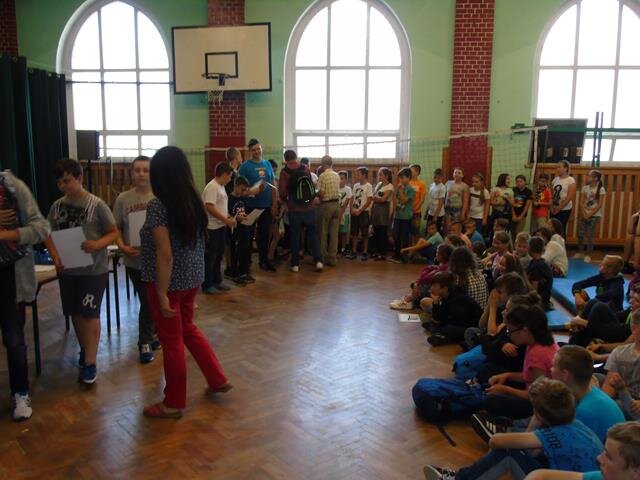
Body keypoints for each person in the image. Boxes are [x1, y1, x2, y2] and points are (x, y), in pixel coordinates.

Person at [140, 146, 231, 418]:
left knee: (171, 341)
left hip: (169, 283)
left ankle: (173, 403)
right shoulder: (193, 200)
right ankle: (217, 378)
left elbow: (165, 254)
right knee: (188, 329)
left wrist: (161, 292)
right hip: (192, 279)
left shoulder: (158, 206)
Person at [425, 377, 603, 480]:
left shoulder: (555, 433)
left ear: (539, 414)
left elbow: (496, 441)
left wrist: (535, 420)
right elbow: (532, 452)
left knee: (509, 451)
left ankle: (459, 479)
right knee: (526, 451)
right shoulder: (577, 425)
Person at [44, 158, 118, 385]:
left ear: (79, 178)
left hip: (93, 270)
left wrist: (97, 244)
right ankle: (86, 349)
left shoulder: (97, 205)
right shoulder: (56, 207)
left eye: (67, 181)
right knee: (76, 313)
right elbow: (47, 234)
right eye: (59, 183)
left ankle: (90, 362)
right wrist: (54, 255)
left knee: (90, 313)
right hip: (68, 270)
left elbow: (113, 232)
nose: (63, 186)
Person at [0, 170, 50, 421]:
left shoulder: (12, 187)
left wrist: (8, 234)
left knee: (14, 339)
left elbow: (41, 228)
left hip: (11, 279)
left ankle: (20, 392)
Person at [113, 155, 159, 363]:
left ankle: (150, 337)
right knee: (147, 300)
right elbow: (115, 227)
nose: (141, 174)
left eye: (145, 170)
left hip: (156, 260)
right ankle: (145, 341)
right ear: (131, 173)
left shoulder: (159, 197)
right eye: (137, 170)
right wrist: (122, 246)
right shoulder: (123, 199)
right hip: (134, 261)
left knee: (152, 300)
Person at [482, 304, 559, 420]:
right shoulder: (534, 342)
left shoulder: (538, 354)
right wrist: (507, 375)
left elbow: (537, 397)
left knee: (491, 400)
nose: (509, 335)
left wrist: (505, 390)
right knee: (489, 373)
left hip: (538, 405)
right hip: (532, 391)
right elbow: (529, 376)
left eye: (510, 331)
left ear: (524, 330)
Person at [523, 421, 640, 480]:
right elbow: (541, 475)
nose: (599, 458)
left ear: (636, 472)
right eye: (604, 452)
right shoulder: (607, 476)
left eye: (608, 457)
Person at [278, 150, 322, 272]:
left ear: (285, 159)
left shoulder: (284, 172)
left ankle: (295, 264)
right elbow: (310, 186)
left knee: (295, 236)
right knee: (313, 234)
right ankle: (318, 261)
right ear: (296, 157)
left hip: (294, 208)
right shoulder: (305, 168)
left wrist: (286, 201)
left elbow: (282, 192)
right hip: (309, 207)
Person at [237, 138, 277, 272]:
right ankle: (246, 263)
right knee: (247, 236)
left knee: (264, 236)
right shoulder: (245, 166)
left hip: (266, 207)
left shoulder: (267, 164)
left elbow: (273, 184)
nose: (256, 152)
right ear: (250, 151)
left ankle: (263, 261)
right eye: (253, 150)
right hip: (250, 207)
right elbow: (239, 187)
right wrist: (251, 191)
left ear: (261, 149)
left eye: (258, 149)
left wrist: (274, 203)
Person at [569, 283, 639, 350]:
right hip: (617, 331)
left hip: (620, 338)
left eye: (636, 300)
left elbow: (624, 340)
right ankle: (575, 343)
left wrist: (586, 323)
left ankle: (577, 345)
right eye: (630, 297)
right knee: (593, 303)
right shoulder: (632, 309)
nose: (630, 301)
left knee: (599, 307)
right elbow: (616, 316)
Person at [422, 271, 483, 346]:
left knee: (448, 328)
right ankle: (439, 332)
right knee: (441, 325)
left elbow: (457, 321)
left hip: (471, 328)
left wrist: (440, 322)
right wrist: (435, 302)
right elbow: (438, 317)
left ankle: (441, 335)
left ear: (445, 288)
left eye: (434, 286)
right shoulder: (446, 296)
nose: (431, 288)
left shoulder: (460, 299)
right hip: (457, 324)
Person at [202, 162, 235, 294]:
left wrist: (228, 216)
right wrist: (226, 220)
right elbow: (209, 207)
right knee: (211, 257)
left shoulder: (221, 186)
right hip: (212, 228)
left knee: (219, 255)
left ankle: (217, 281)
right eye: (230, 176)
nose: (230, 179)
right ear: (224, 174)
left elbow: (220, 206)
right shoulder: (212, 187)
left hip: (220, 226)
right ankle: (207, 284)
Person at [389, 244, 453, 311]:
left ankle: (409, 302)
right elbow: (424, 273)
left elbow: (427, 278)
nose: (436, 254)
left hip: (437, 290)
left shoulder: (444, 267)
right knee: (418, 285)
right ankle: (409, 300)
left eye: (437, 252)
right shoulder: (441, 265)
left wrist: (418, 282)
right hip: (434, 287)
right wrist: (418, 281)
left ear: (443, 255)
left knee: (420, 287)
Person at [601, 311, 640, 420]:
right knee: (596, 378)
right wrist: (603, 404)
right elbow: (609, 389)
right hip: (624, 399)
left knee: (617, 405)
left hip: (633, 408)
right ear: (634, 328)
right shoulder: (619, 353)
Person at [227, 175, 252, 285]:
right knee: (235, 251)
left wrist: (246, 216)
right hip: (235, 230)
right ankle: (234, 272)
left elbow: (243, 211)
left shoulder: (242, 198)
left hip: (244, 228)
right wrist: (237, 218)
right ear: (236, 186)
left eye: (245, 190)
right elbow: (228, 214)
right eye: (242, 189)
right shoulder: (229, 199)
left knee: (245, 250)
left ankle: (244, 272)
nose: (243, 192)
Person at [316, 155, 341, 266]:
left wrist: (315, 191)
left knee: (323, 233)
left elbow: (321, 194)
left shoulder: (323, 176)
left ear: (323, 164)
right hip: (336, 205)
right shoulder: (337, 175)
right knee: (334, 234)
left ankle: (322, 258)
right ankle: (332, 258)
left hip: (326, 205)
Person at [577, 170, 606, 263]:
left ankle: (588, 255)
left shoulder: (601, 189)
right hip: (584, 214)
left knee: (590, 235)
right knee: (580, 234)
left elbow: (599, 205)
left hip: (594, 215)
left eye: (589, 176)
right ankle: (580, 253)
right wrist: (584, 213)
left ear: (595, 178)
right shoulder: (585, 188)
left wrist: (589, 214)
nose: (587, 177)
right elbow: (581, 202)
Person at [390, 167, 416, 264]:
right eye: (399, 178)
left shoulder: (411, 189)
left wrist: (400, 190)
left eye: (402, 178)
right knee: (396, 235)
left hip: (406, 217)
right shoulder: (399, 188)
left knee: (404, 237)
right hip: (398, 216)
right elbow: (395, 200)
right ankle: (396, 254)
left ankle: (404, 256)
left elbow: (404, 200)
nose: (400, 180)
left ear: (408, 178)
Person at [348, 167, 373, 261]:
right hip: (355, 212)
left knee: (365, 233)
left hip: (363, 213)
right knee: (354, 233)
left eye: (358, 174)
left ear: (364, 175)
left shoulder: (368, 186)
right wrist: (351, 209)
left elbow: (369, 200)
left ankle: (365, 252)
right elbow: (352, 197)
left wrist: (360, 210)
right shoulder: (355, 185)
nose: (356, 176)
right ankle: (354, 251)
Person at [370, 167, 393, 261]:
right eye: (378, 174)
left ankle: (383, 253)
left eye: (381, 175)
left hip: (383, 211)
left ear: (386, 176)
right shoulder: (379, 184)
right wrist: (375, 199)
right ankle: (376, 252)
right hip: (376, 210)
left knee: (382, 233)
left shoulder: (390, 186)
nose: (379, 176)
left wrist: (375, 199)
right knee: (376, 232)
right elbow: (375, 197)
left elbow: (383, 199)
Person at [551, 160, 577, 237]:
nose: (557, 169)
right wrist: (552, 207)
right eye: (557, 167)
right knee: (552, 229)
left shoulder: (570, 180)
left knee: (561, 228)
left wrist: (559, 208)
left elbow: (569, 197)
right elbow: (552, 194)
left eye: (560, 167)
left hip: (564, 209)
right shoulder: (555, 179)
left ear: (566, 168)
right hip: (554, 208)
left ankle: (562, 244)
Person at [527, 236, 554, 309]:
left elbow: (534, 289)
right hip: (543, 298)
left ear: (529, 249)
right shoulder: (535, 262)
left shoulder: (536, 266)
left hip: (540, 301)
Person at [444, 167, 469, 232]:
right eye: (455, 172)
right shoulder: (448, 183)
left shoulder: (465, 186)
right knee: (447, 228)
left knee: (455, 228)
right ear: (453, 174)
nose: (456, 174)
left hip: (457, 211)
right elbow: (443, 196)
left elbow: (465, 201)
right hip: (447, 209)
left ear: (462, 175)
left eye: (459, 173)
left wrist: (463, 213)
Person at [489, 173, 514, 238]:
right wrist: (498, 203)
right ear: (502, 179)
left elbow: (512, 204)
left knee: (505, 231)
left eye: (509, 179)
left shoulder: (510, 190)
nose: (509, 181)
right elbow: (490, 202)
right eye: (507, 179)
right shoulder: (495, 189)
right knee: (495, 230)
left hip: (506, 214)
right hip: (496, 213)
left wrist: (507, 198)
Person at [469, 172, 490, 238]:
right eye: (473, 182)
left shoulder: (485, 192)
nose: (474, 184)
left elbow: (487, 206)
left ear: (481, 182)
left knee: (478, 233)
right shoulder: (470, 190)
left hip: (479, 217)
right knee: (470, 233)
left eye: (476, 182)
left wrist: (485, 218)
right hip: (471, 216)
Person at [410, 164, 427, 243]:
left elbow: (422, 199)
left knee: (415, 231)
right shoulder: (407, 182)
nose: (410, 172)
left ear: (417, 172)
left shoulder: (421, 184)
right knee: (408, 231)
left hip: (416, 212)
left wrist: (415, 209)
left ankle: (415, 247)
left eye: (411, 171)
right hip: (407, 212)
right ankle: (408, 247)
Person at [426, 168, 446, 233]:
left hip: (438, 214)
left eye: (438, 178)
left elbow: (440, 203)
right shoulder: (432, 185)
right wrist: (427, 211)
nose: (436, 179)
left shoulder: (442, 187)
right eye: (435, 177)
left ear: (442, 178)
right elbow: (430, 200)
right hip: (430, 212)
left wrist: (435, 216)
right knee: (428, 229)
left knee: (436, 231)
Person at [337, 171, 352, 255]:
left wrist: (341, 212)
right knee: (336, 231)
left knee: (343, 232)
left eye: (342, 178)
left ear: (346, 180)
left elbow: (346, 202)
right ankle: (336, 248)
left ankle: (343, 248)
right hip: (336, 213)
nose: (340, 180)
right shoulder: (336, 188)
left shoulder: (348, 189)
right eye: (339, 178)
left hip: (344, 213)